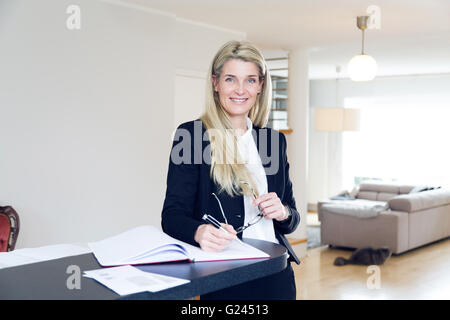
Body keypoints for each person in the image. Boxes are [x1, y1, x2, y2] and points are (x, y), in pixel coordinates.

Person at [161, 40, 300, 300]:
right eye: (230, 79)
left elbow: (292, 218)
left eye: (250, 80)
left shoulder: (272, 141)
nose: (240, 89)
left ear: (260, 85)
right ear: (215, 83)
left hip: (276, 274)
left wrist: (282, 212)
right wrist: (199, 231)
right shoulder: (192, 137)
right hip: (224, 275)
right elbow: (172, 216)